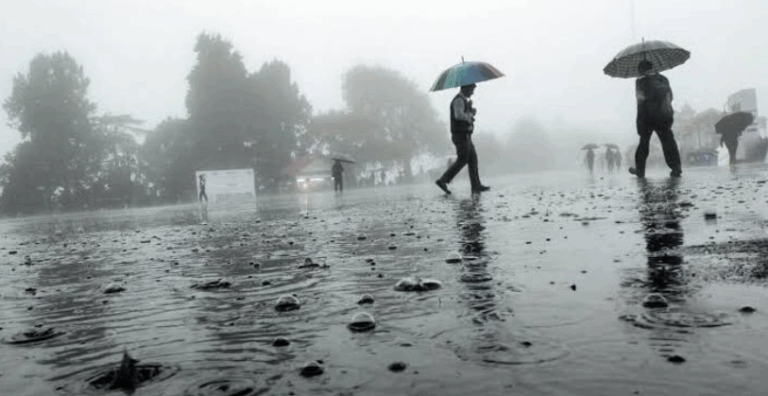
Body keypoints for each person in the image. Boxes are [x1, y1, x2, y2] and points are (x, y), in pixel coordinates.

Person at [629, 60, 682, 178]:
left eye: (639, 70)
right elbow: (671, 97)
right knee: (668, 142)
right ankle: (676, 167)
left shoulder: (640, 81)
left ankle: (640, 170)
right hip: (663, 116)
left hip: (647, 117)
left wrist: (639, 123)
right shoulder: (663, 79)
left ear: (642, 69)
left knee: (644, 143)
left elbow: (640, 102)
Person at [435, 83, 490, 194]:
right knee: (463, 159)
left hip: (466, 135)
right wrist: (470, 114)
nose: (472, 92)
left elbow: (463, 114)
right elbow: (458, 115)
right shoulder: (459, 100)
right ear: (466, 88)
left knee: (473, 159)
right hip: (460, 135)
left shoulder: (463, 100)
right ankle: (443, 180)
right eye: (472, 89)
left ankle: (476, 185)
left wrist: (470, 110)